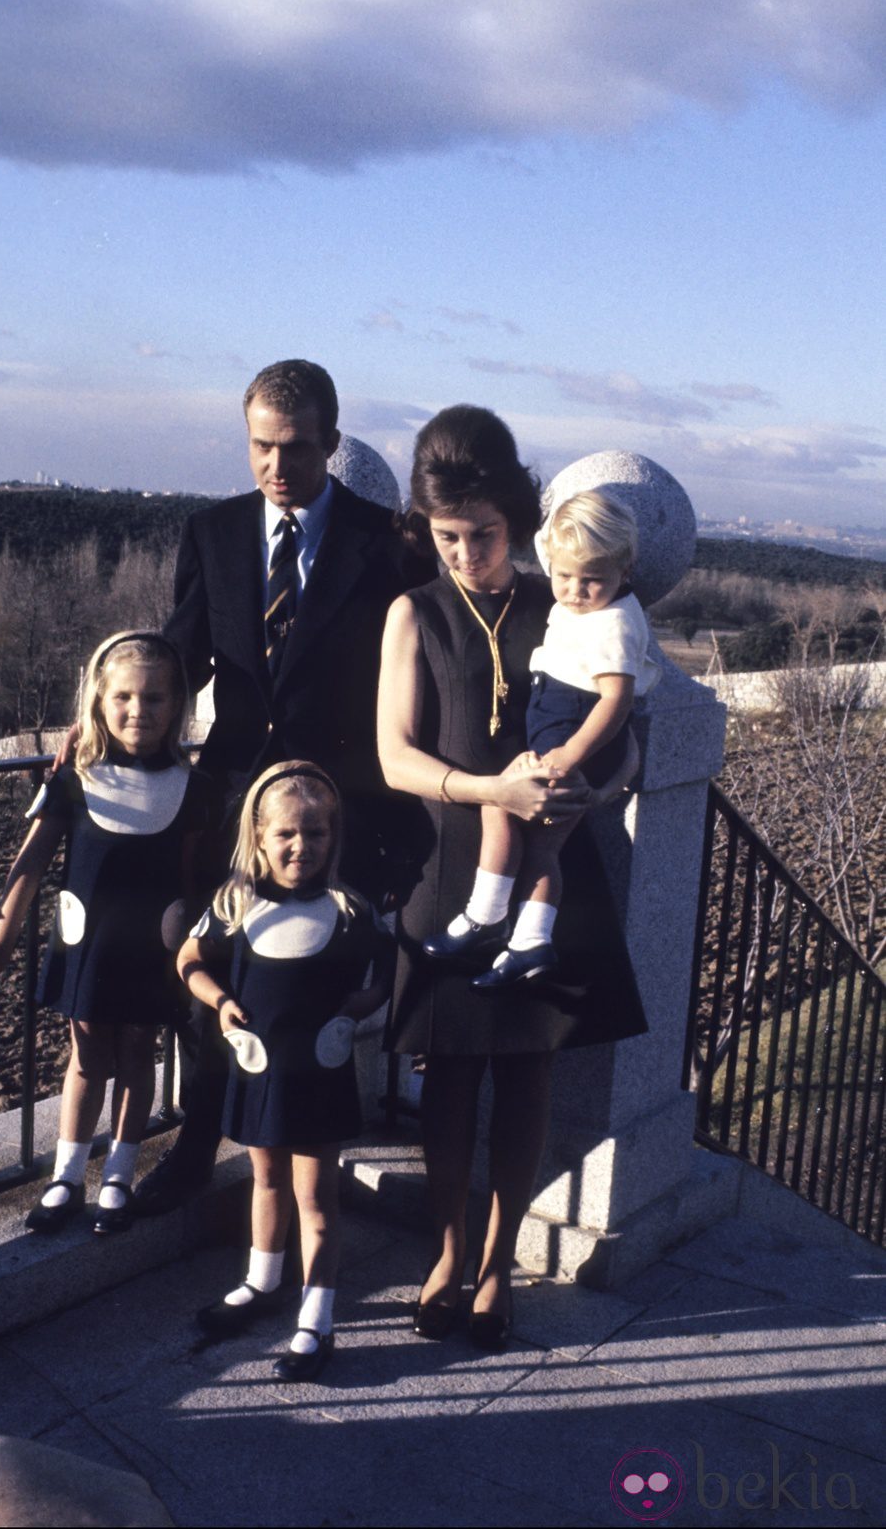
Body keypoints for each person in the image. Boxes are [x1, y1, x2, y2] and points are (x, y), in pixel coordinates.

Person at [377, 405, 647, 1349]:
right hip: (449, 872)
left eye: (483, 535)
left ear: (519, 520)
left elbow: (625, 737)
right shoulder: (413, 612)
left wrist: (592, 794)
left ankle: (498, 1265)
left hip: (551, 870)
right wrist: (487, 785)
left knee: (526, 1075)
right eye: (447, 536)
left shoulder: (568, 596)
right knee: (448, 1080)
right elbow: (393, 757)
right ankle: (446, 1254)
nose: (466, 554)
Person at [133, 358, 431, 1215]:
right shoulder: (213, 532)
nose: (275, 466)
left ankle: (306, 1171)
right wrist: (105, 717)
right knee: (215, 969)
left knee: (312, 983)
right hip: (230, 805)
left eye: (295, 449)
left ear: (331, 444)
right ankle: (197, 1143)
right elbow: (182, 657)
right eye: (261, 446)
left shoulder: (388, 545)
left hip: (341, 808)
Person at [0, 632, 211, 1235]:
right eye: (124, 696)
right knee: (86, 1054)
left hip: (153, 947)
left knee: (136, 1054)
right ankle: (67, 1176)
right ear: (99, 702)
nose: (139, 710)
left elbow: (192, 877)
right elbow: (31, 862)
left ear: (177, 704)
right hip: (89, 944)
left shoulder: (193, 787)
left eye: (155, 698)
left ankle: (119, 1176)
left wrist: (193, 950)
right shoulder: (75, 778)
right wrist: (1, 934)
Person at [177, 762, 393, 1382]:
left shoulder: (348, 909)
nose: (301, 847)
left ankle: (316, 1317)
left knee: (315, 1196)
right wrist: (219, 1001)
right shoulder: (236, 904)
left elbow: (386, 967)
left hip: (319, 1073)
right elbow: (190, 958)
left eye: (316, 834)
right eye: (286, 835)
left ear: (334, 836)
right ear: (260, 836)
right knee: (264, 1179)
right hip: (259, 1072)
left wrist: (364, 1005)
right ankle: (261, 1281)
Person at [426, 487, 661, 989]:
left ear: (626, 570)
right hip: (561, 731)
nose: (574, 590)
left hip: (579, 739)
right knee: (514, 820)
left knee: (525, 831)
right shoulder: (585, 607)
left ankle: (503, 927)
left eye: (591, 580)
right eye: (564, 576)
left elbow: (616, 701)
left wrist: (568, 759)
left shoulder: (615, 623)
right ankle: (511, 931)